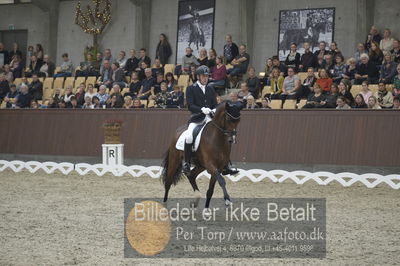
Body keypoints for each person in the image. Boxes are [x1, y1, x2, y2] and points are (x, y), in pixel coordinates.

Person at [182, 65, 237, 175]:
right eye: (203, 76)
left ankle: (226, 164)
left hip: (209, 119)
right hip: (196, 119)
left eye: (207, 76)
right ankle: (186, 163)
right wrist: (202, 109)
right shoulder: (191, 88)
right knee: (188, 136)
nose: (205, 78)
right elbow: (190, 106)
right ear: (198, 76)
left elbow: (215, 105)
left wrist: (213, 109)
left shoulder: (210, 88)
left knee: (223, 134)